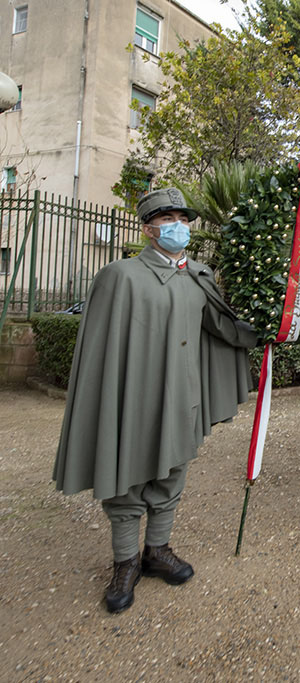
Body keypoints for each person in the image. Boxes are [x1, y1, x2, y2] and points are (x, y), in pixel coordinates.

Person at [53, 188, 257, 614]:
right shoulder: (120, 275)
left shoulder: (198, 275)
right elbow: (100, 348)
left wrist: (275, 327)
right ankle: (125, 562)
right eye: (167, 219)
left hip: (182, 395)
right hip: (131, 396)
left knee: (172, 471)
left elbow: (222, 327)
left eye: (182, 218)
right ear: (148, 229)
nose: (177, 226)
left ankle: (158, 550)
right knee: (126, 477)